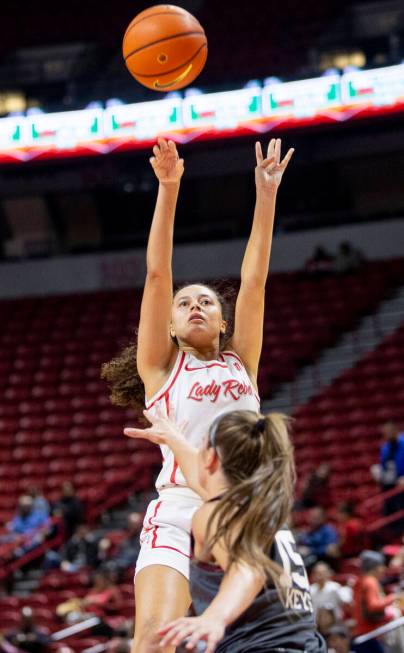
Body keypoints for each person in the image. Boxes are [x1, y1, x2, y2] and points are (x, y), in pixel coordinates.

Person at [103, 136, 294, 653]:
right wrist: (168, 188)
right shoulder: (161, 367)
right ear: (168, 322)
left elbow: (254, 281)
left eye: (206, 302)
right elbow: (158, 273)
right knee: (153, 641)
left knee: (253, 638)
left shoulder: (241, 360)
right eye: (184, 303)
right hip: (179, 506)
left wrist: (266, 194)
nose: (194, 306)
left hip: (239, 507)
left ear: (222, 318)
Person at [126, 407, 326, 653]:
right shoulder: (261, 509)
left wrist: (215, 618)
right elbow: (201, 479)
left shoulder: (214, 513)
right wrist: (173, 439)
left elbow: (247, 570)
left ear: (209, 458)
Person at [352, 550, 402, 653]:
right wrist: (392, 597)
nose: (384, 569)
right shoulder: (370, 581)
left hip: (362, 631)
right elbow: (373, 606)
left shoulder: (360, 580)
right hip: (372, 633)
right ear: (374, 567)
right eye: (381, 566)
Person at [379, 421, 404, 520]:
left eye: (389, 432)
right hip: (391, 482)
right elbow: (384, 465)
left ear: (396, 431)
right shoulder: (385, 448)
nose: (387, 435)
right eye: (385, 433)